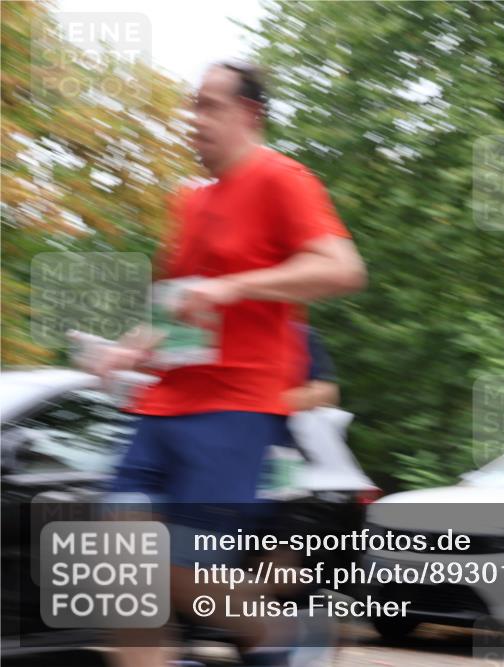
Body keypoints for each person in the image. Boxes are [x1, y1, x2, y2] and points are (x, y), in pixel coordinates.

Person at [89, 60, 366, 667]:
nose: (194, 120)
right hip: (159, 408)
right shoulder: (190, 204)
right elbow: (175, 310)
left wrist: (234, 287)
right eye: (193, 105)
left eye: (210, 106)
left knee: (173, 579)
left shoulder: (281, 180)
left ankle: (289, 640)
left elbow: (343, 268)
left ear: (249, 114)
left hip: (233, 414)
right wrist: (129, 347)